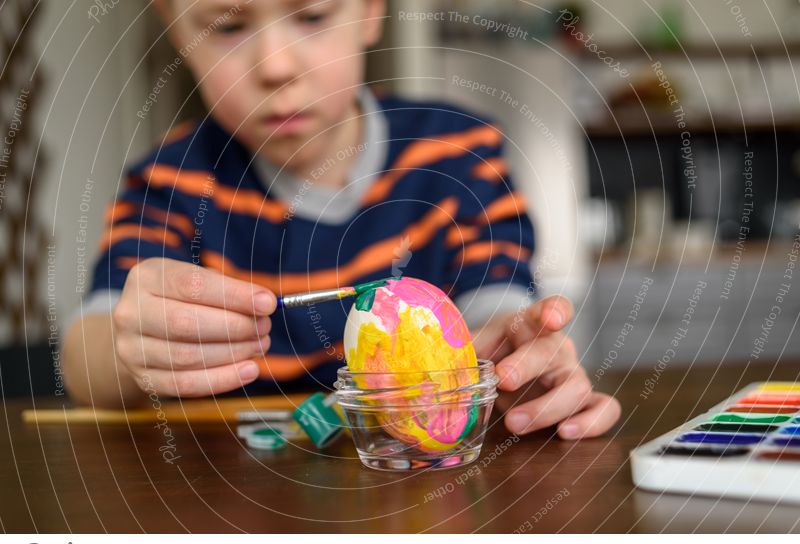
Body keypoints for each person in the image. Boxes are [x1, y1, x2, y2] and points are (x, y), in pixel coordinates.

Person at [62, 0, 620, 440]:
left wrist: (512, 361)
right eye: (228, 26)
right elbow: (84, 355)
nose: (276, 66)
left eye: (312, 16)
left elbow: (497, 307)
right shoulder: (169, 184)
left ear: (370, 11)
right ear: (178, 30)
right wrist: (126, 352)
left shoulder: (459, 154)